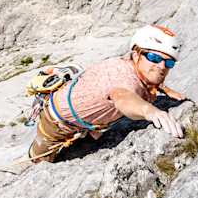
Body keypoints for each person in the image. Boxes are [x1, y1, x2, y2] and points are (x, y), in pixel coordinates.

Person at [28, 24, 188, 164]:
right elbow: (122, 97)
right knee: (40, 160)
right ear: (136, 54)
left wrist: (164, 89)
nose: (161, 66)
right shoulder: (122, 79)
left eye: (169, 62)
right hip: (55, 122)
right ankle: (34, 156)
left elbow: (149, 77)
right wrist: (150, 111)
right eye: (154, 57)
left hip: (82, 118)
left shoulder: (138, 67)